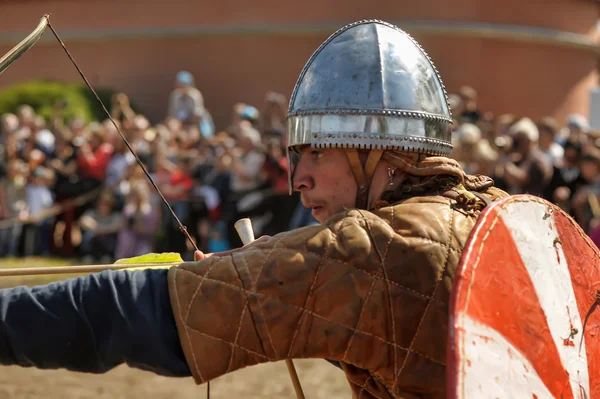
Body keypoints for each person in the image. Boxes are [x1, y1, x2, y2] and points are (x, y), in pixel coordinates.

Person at [0, 20, 508, 398]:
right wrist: (277, 284)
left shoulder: (381, 248)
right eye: (297, 155)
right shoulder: (489, 214)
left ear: (384, 157)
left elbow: (130, 314)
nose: (299, 179)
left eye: (318, 151)